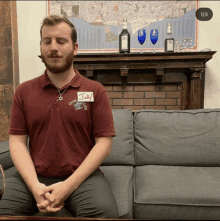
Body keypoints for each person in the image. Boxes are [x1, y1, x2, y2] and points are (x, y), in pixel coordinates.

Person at [0, 15, 119, 218]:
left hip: (83, 178)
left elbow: (104, 144)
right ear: (41, 46)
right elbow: (17, 143)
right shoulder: (24, 91)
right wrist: (35, 187)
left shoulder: (96, 91)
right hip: (34, 177)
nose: (53, 47)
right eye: (47, 41)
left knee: (105, 214)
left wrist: (67, 187)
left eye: (61, 41)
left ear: (75, 47)